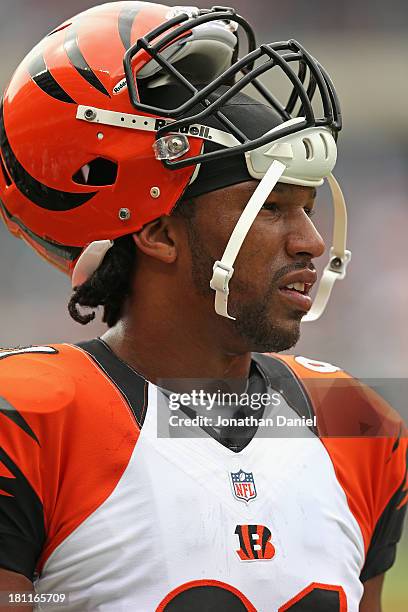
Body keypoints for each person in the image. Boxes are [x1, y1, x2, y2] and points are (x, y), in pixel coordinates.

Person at [0, 3, 406, 611]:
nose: (312, 242)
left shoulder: (357, 422)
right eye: (269, 207)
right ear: (158, 231)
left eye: (307, 207)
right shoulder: (32, 419)